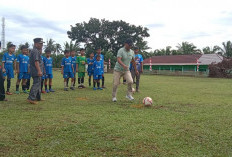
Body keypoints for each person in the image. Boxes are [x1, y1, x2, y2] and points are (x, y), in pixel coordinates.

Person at [27, 38, 44, 104]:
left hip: (36, 70)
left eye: (42, 43)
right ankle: (31, 98)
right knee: (36, 84)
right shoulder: (35, 51)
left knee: (38, 84)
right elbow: (36, 62)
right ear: (36, 44)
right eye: (40, 43)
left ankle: (38, 97)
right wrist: (39, 71)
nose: (42, 45)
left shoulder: (36, 50)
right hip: (36, 70)